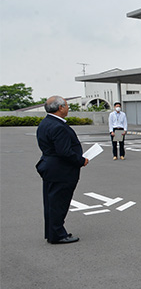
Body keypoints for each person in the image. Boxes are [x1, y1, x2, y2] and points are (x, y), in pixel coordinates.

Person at [35, 96, 88, 244]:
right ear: (60, 108)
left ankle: (53, 233)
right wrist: (81, 160)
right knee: (59, 203)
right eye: (67, 105)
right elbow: (64, 152)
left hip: (50, 167)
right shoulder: (58, 126)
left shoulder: (45, 123)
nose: (68, 108)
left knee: (52, 202)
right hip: (61, 170)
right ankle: (58, 235)